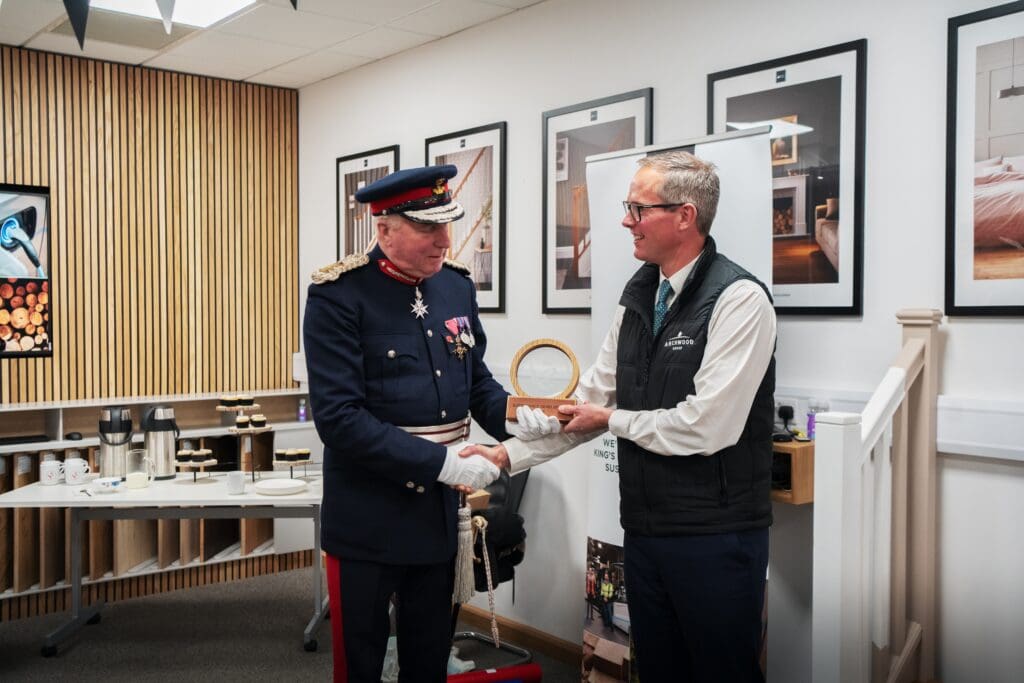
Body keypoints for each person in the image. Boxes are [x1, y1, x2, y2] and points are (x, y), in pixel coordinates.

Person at [464, 150, 777, 682]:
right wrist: (503, 456)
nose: (625, 221)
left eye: (638, 209)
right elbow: (586, 404)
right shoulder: (639, 296)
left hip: (716, 537)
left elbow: (707, 425)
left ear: (685, 216)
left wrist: (609, 420)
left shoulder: (740, 300)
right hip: (646, 531)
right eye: (627, 207)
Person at [303, 164, 509, 682]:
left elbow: (476, 383)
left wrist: (523, 422)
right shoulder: (339, 294)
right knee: (362, 665)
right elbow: (340, 420)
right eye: (428, 228)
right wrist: (445, 464)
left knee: (428, 660)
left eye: (447, 225)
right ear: (385, 228)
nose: (445, 240)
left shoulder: (455, 287)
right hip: (369, 515)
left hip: (437, 518)